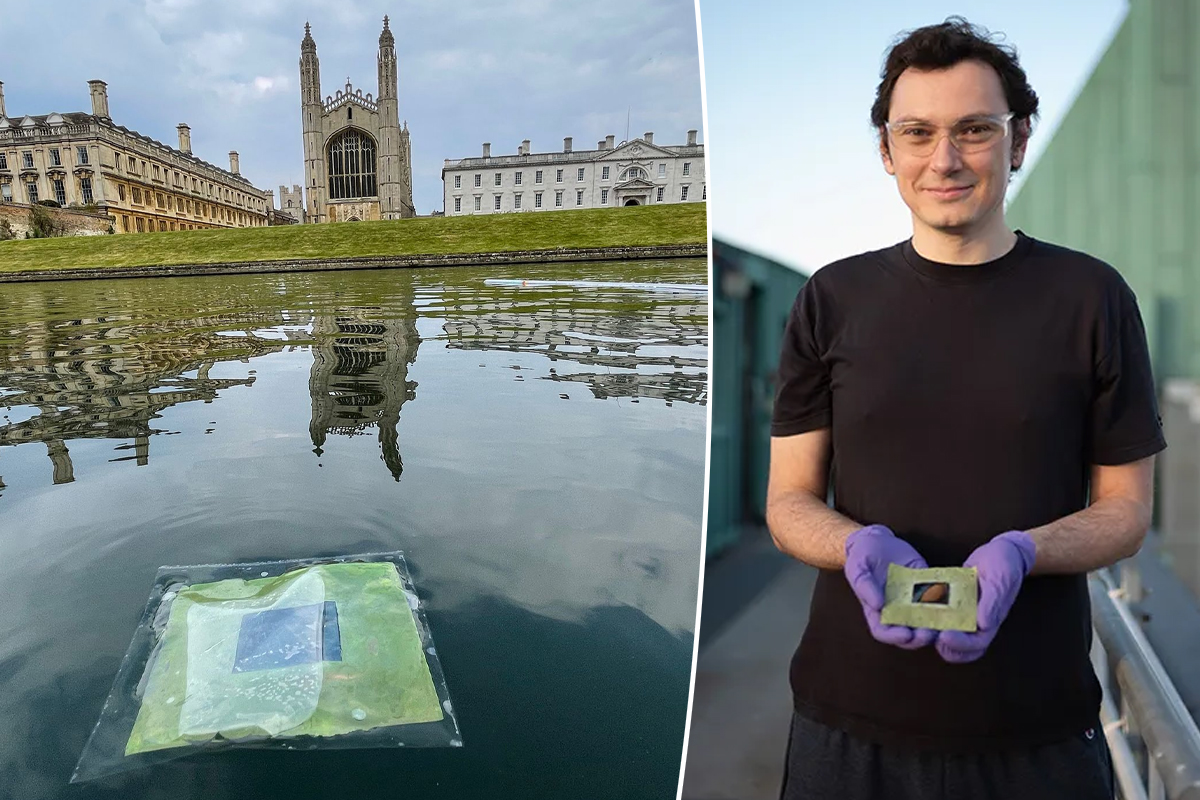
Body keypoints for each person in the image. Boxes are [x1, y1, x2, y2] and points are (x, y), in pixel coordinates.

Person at [766, 17, 1166, 800]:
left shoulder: (1092, 298)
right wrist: (854, 544)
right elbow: (787, 500)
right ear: (887, 151)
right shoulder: (832, 299)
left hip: (1038, 729)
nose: (944, 159)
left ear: (1017, 141)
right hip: (845, 728)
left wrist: (1023, 551)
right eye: (917, 132)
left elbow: (1126, 510)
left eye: (974, 130)